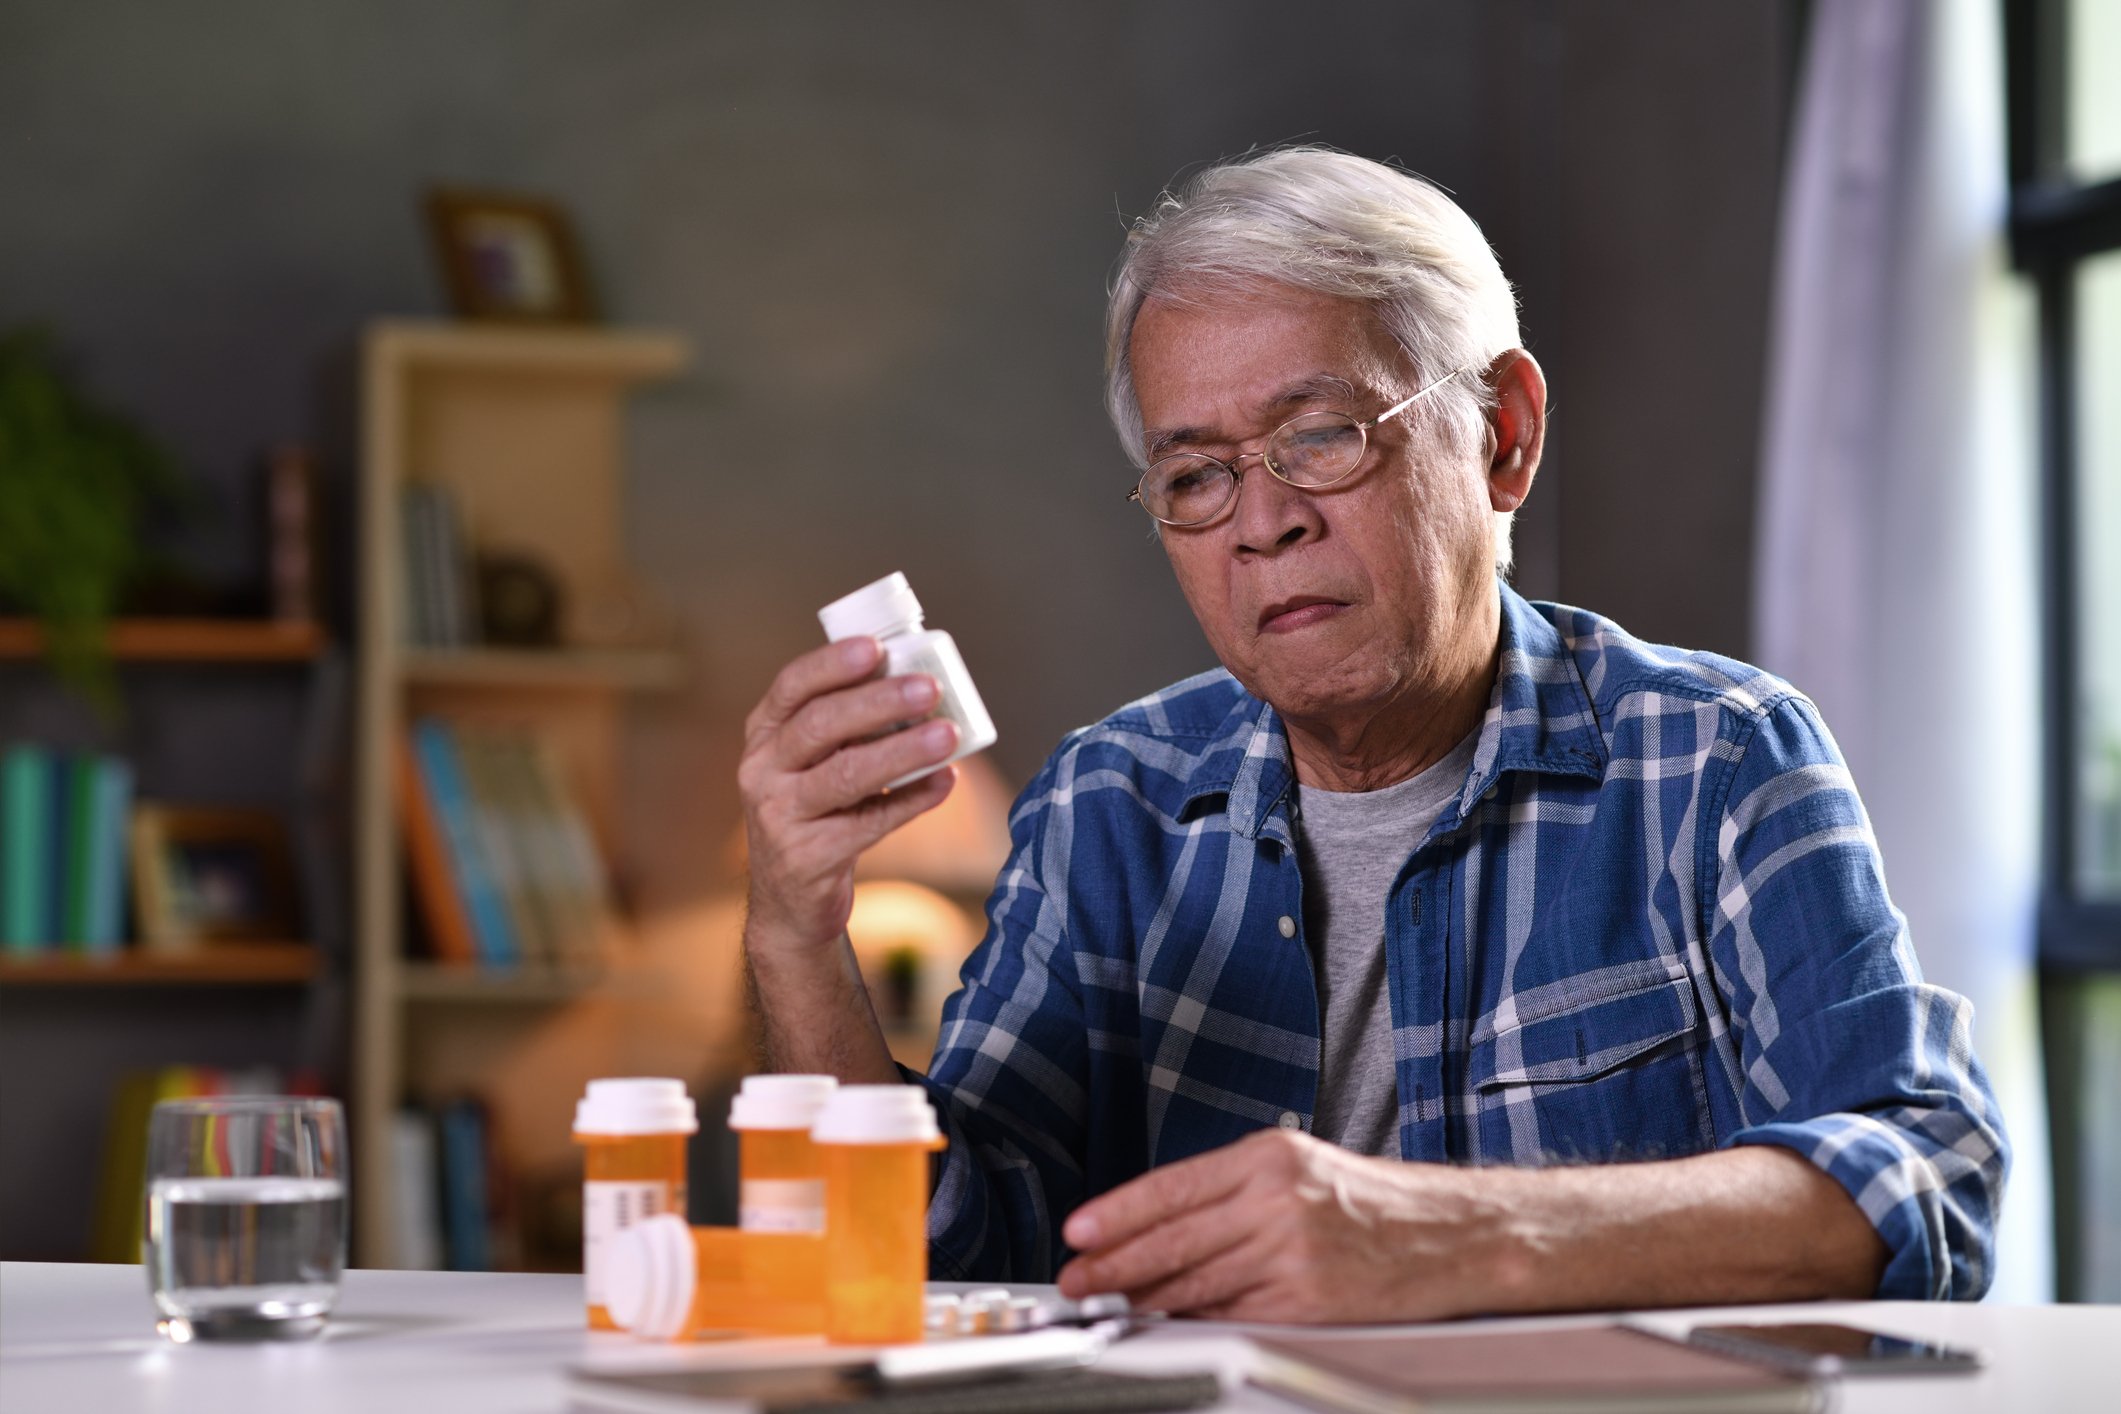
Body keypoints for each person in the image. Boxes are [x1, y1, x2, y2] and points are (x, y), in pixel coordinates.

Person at [736, 147, 2008, 1323]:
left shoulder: (1718, 761)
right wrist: (795, 938)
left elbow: (1923, 1183)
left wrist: (1458, 1237)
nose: (1262, 522)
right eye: (1196, 475)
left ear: (1503, 437)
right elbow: (939, 1254)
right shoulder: (1106, 809)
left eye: (1322, 438)